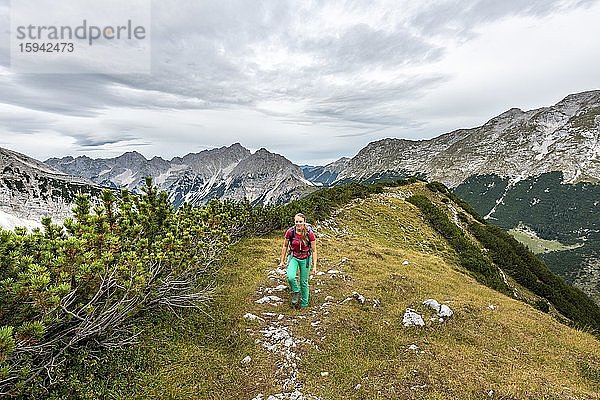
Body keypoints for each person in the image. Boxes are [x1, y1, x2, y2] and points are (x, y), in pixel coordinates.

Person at [279, 213, 317, 309]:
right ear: (294, 222)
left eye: (300, 222)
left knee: (303, 282)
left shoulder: (309, 233)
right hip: (293, 257)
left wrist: (315, 266)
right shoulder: (290, 232)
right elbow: (285, 246)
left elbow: (314, 250)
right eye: (297, 221)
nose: (298, 224)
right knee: (290, 277)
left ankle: (304, 304)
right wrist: (282, 261)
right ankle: (296, 291)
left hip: (306, 258)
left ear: (304, 222)